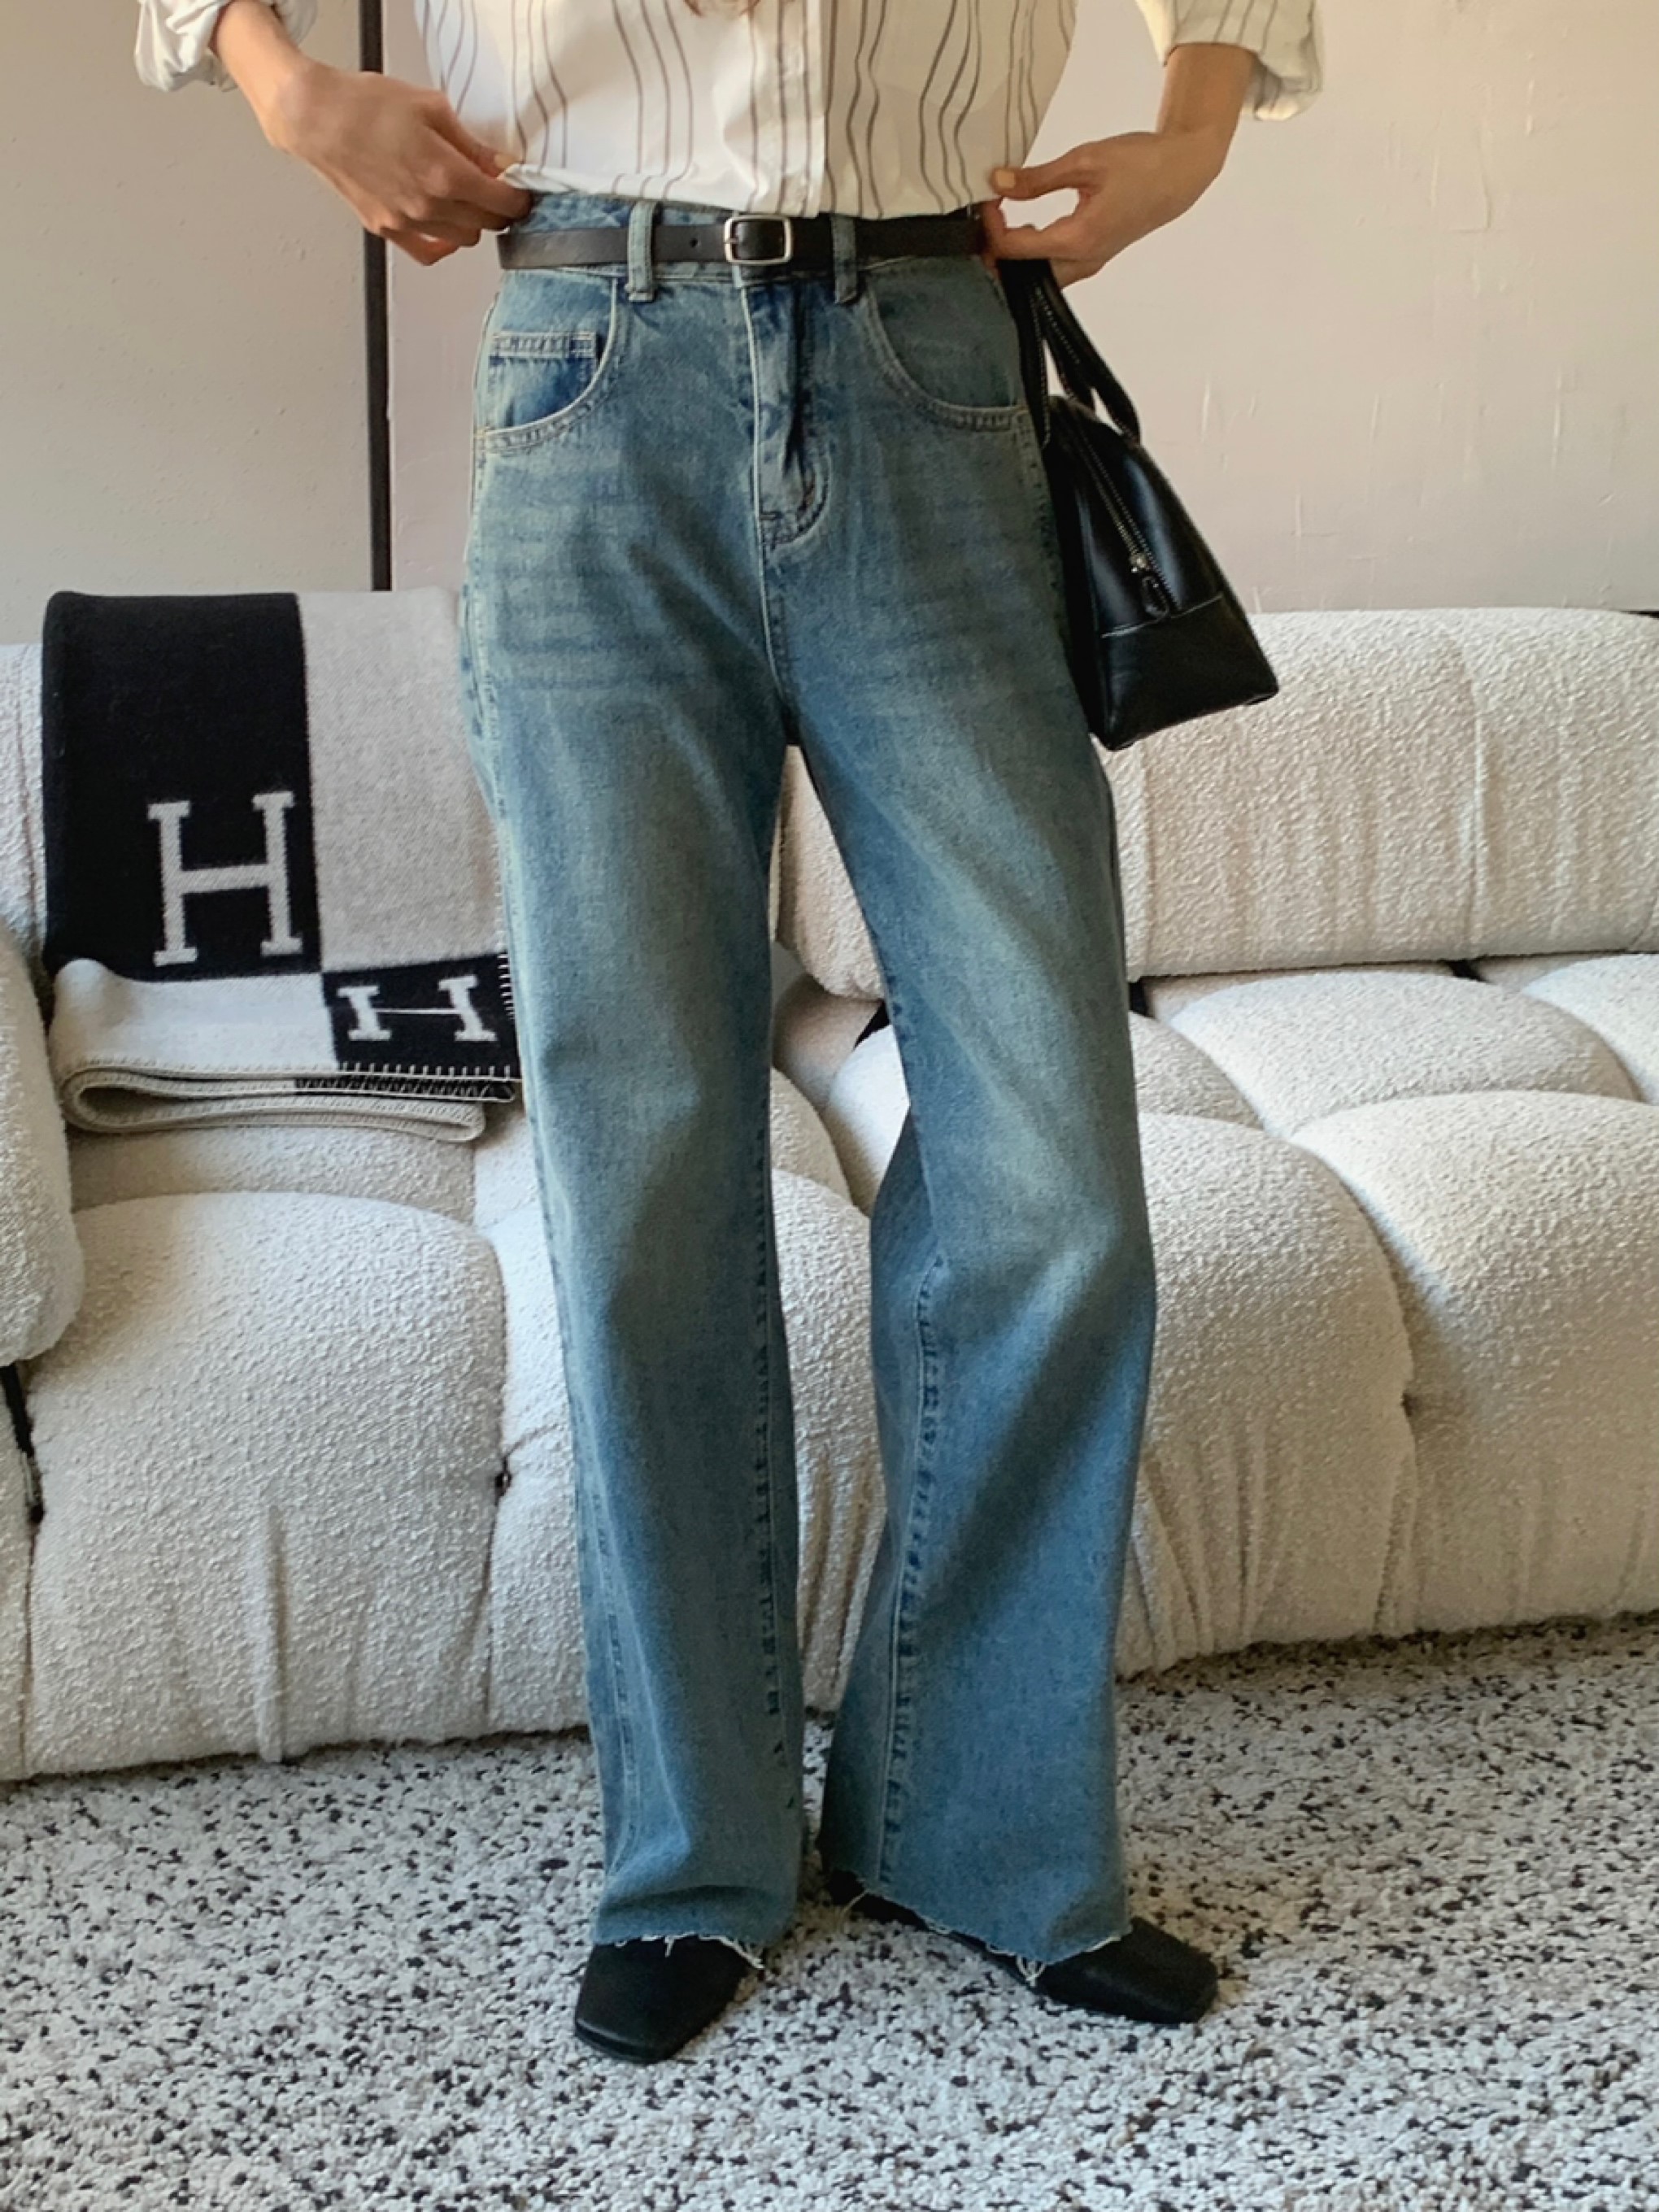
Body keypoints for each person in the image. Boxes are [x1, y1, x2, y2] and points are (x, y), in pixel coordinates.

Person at [139, 0, 1323, 2066]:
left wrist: (1199, 122)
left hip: (938, 355)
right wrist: (279, 79)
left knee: (1052, 1176)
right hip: (588, 356)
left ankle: (976, 1829)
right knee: (647, 1168)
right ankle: (691, 1860)